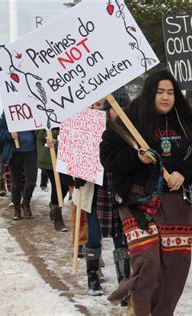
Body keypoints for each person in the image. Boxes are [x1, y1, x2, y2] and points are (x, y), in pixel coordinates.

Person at [100, 70, 192, 315]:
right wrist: (137, 157)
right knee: (148, 261)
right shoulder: (130, 119)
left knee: (175, 268)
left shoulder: (185, 119)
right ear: (150, 92)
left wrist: (183, 173)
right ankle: (139, 306)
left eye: (170, 92)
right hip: (138, 200)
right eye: (160, 91)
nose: (165, 97)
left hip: (176, 203)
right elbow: (107, 156)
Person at [75, 88, 131, 300]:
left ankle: (124, 284)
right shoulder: (92, 126)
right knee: (94, 235)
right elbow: (80, 154)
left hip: (120, 192)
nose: (120, 112)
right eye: (116, 108)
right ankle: (93, 278)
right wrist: (79, 173)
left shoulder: (131, 130)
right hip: (97, 190)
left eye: (123, 108)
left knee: (122, 238)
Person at [0, 114, 38, 220]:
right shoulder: (8, 110)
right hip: (14, 152)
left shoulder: (33, 108)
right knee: (15, 183)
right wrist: (9, 134)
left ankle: (26, 203)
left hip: (31, 151)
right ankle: (16, 209)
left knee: (32, 181)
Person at [36, 128, 72, 231]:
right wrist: (55, 135)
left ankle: (54, 205)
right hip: (49, 159)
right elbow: (39, 134)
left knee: (65, 186)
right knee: (57, 186)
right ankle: (58, 219)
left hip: (65, 157)